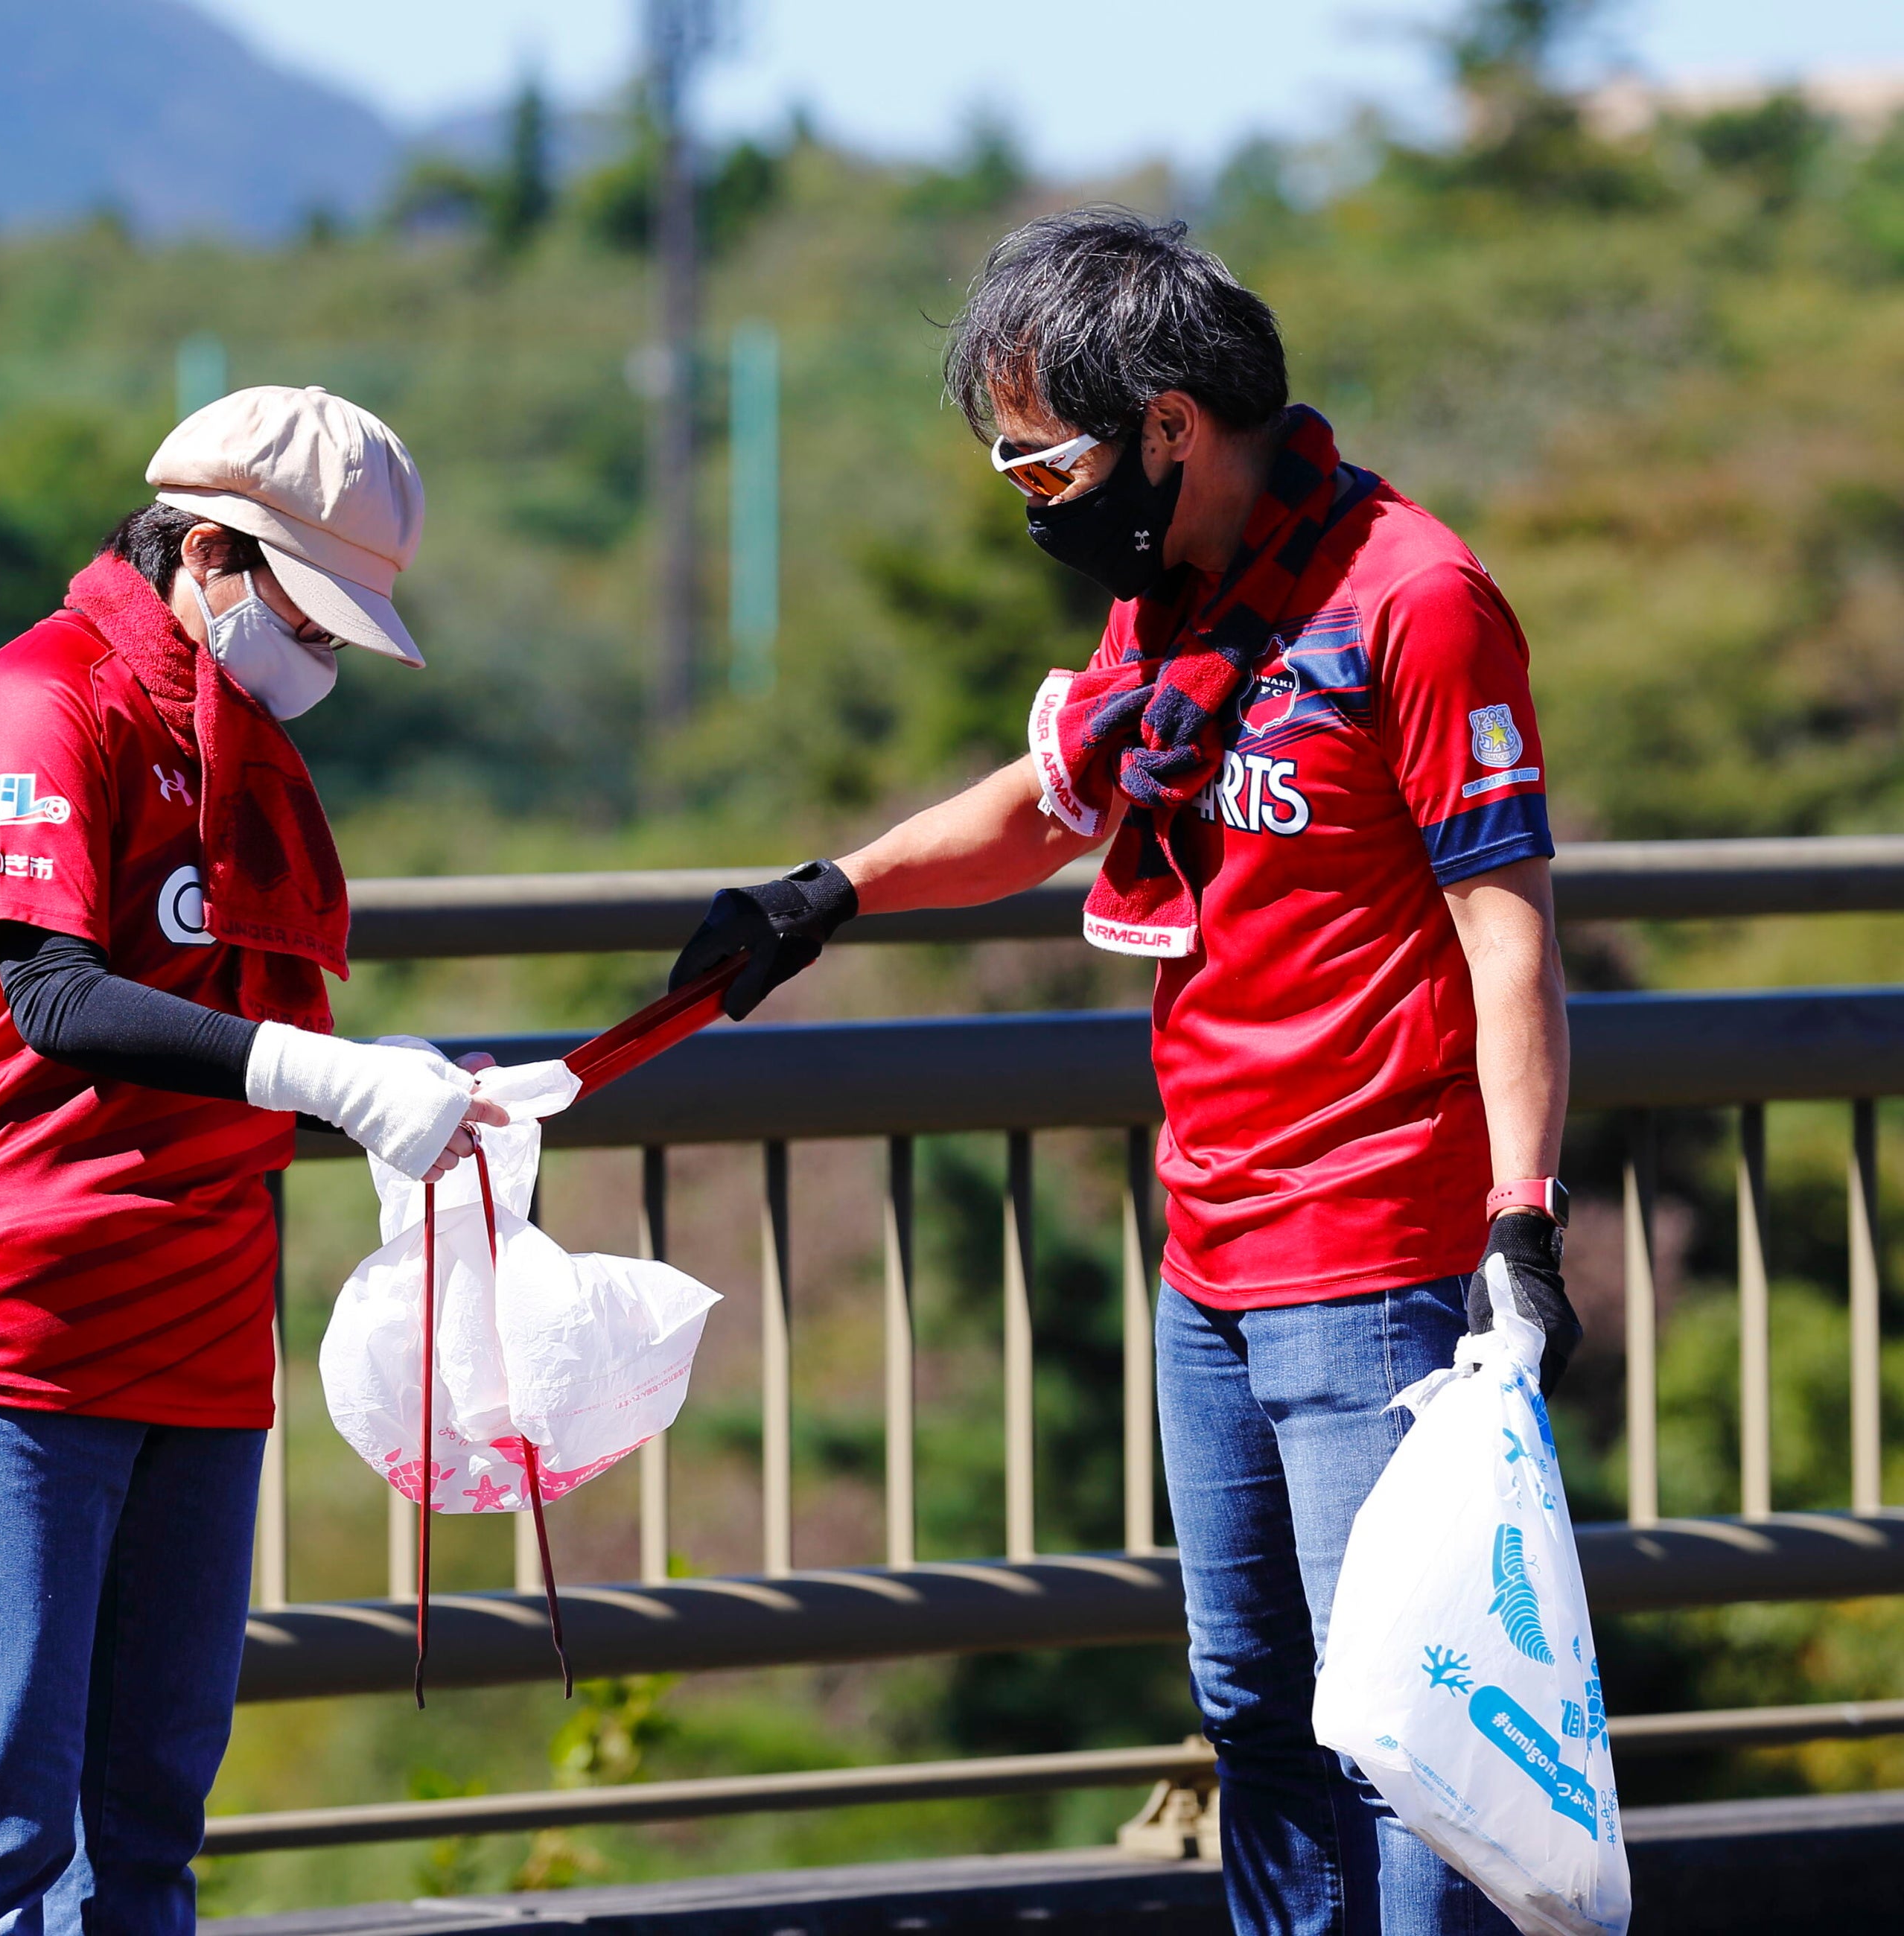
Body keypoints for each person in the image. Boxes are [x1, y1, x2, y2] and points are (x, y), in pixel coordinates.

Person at [671, 211, 1579, 1936]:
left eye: (1046, 461)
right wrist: (829, 892)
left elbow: (1507, 927)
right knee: (1254, 1710)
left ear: (1170, 423)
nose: (1034, 504)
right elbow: (1054, 804)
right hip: (1210, 1247)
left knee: (1401, 1726)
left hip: (1377, 1254)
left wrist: (1522, 1220)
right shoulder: (1174, 605)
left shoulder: (1415, 600)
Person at [0, 384, 507, 1936]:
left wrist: (399, 1085)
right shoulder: (43, 699)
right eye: (310, 617)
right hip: (17, 1322)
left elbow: (219, 1043)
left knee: (146, 1825)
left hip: (202, 1330)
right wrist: (331, 1077)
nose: (324, 661)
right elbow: (60, 995)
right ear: (210, 553)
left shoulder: (228, 736)